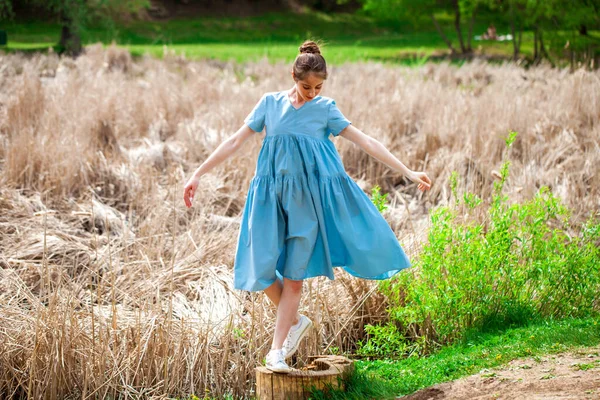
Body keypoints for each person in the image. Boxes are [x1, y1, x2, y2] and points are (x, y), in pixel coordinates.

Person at [183, 40, 432, 374]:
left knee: (294, 279)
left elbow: (367, 141)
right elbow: (234, 141)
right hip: (269, 199)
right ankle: (296, 321)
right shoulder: (269, 104)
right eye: (306, 86)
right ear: (293, 76)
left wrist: (408, 171)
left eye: (318, 87)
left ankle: (277, 352)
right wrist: (197, 174)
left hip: (307, 204)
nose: (312, 92)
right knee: (258, 267)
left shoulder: (326, 109)